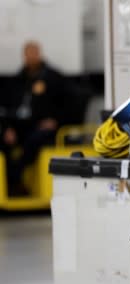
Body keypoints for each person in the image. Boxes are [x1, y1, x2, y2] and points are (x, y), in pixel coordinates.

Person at [0, 41, 67, 197]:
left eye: (34, 53)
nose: (31, 57)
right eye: (28, 53)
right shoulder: (17, 80)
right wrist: (7, 128)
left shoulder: (53, 78)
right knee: (3, 139)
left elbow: (66, 105)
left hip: (43, 126)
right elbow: (6, 107)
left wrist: (55, 120)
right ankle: (10, 183)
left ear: (40, 54)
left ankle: (16, 177)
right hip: (20, 125)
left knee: (34, 139)